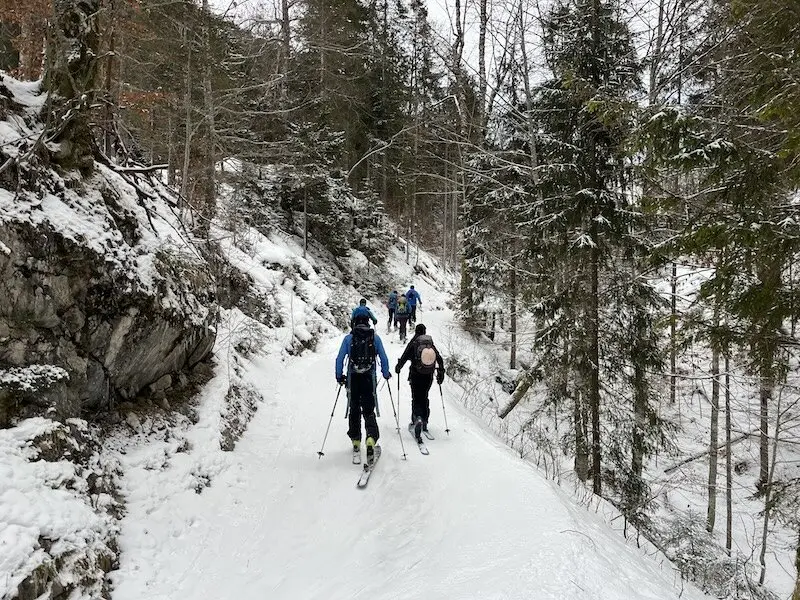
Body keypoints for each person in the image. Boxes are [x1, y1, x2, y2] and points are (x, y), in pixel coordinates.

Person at [335, 321, 392, 463]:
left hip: (353, 378)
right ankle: (371, 438)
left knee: (354, 409)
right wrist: (385, 373)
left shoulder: (349, 338)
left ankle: (355, 441)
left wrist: (339, 375)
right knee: (368, 410)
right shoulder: (375, 338)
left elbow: (340, 358)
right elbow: (383, 358)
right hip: (369, 378)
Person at [395, 324, 445, 443]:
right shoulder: (430, 344)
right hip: (428, 375)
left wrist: (398, 367)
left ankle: (417, 418)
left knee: (416, 397)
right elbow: (439, 359)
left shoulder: (414, 343)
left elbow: (405, 356)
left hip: (415, 374)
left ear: (416, 331)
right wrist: (441, 372)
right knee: (424, 396)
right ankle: (425, 421)